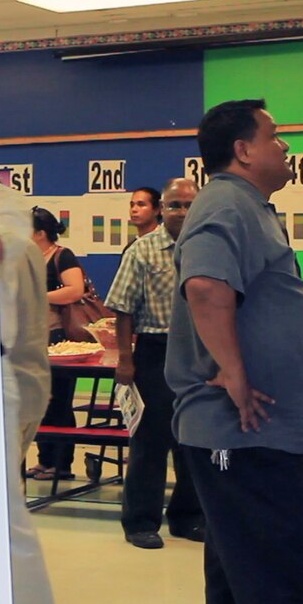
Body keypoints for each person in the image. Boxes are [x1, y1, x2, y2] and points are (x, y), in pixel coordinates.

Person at [165, 99, 303, 604]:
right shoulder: (226, 204)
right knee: (277, 586)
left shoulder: (245, 205)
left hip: (258, 433)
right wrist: (234, 374)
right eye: (274, 136)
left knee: (244, 580)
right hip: (245, 430)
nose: (285, 146)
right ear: (243, 150)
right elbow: (206, 286)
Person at [105, 178, 204, 550]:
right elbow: (123, 310)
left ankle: (188, 517)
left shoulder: (208, 248)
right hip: (154, 351)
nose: (182, 212)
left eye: (189, 204)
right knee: (150, 442)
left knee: (194, 439)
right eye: (175, 205)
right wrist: (126, 361)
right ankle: (141, 521)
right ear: (162, 209)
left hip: (200, 352)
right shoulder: (142, 251)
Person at [0, 180, 55, 604]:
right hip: (9, 388)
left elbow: (26, 344)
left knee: (2, 519)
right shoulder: (20, 239)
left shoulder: (5, 240)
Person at [26, 207, 85, 481]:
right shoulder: (27, 258)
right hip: (33, 336)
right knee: (39, 402)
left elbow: (75, 290)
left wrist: (39, 294)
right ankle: (44, 458)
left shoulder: (62, 255)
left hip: (57, 337)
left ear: (40, 233)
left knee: (59, 401)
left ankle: (61, 464)